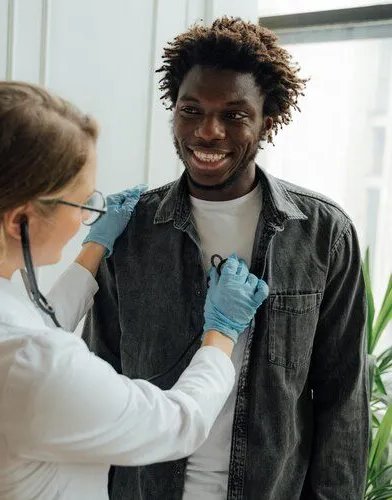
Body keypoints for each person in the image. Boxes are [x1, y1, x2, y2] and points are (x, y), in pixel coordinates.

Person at [0, 81, 269, 500]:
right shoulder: (28, 363)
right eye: (83, 204)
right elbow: (178, 423)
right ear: (21, 221)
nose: (87, 218)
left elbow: (20, 337)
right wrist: (221, 332)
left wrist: (93, 251)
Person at [83, 16, 368, 500]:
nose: (208, 132)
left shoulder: (324, 234)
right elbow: (99, 375)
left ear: (267, 121)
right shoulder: (131, 231)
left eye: (234, 115)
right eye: (191, 110)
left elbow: (342, 397)